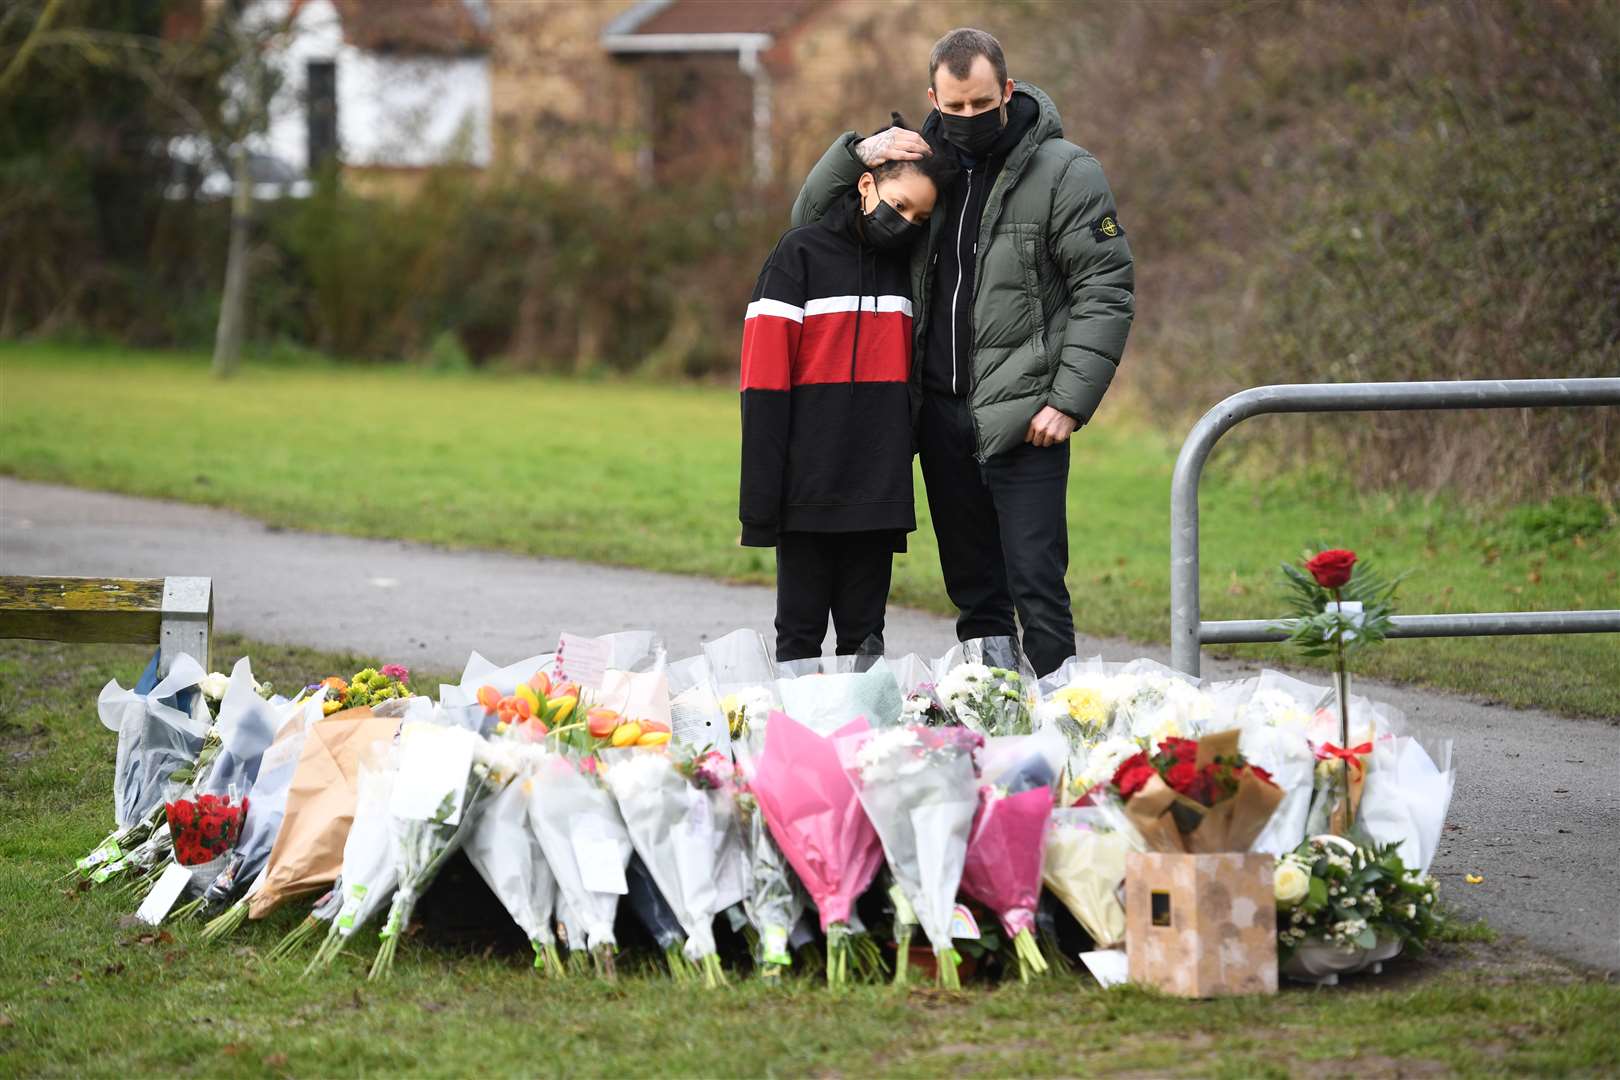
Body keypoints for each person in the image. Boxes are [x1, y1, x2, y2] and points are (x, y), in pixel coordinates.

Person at [790, 28, 1135, 677]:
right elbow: (811, 223)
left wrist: (1068, 400)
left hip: (1026, 418)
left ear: (1006, 90)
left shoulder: (1067, 172)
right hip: (938, 418)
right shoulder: (921, 170)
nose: (969, 120)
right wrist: (858, 152)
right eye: (956, 108)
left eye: (981, 105)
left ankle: (1066, 717)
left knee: (1036, 583)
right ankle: (1000, 710)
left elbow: (1106, 287)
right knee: (976, 594)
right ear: (933, 98)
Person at [739, 144, 958, 663]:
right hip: (805, 489)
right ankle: (801, 745)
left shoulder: (909, 270)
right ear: (866, 186)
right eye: (899, 205)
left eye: (919, 217)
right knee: (798, 638)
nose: (905, 223)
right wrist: (761, 503)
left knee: (865, 642)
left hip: (878, 490)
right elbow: (763, 385)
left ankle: (861, 744)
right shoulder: (799, 255)